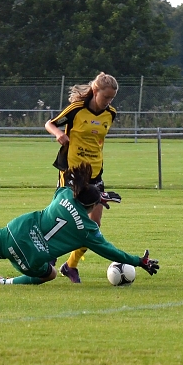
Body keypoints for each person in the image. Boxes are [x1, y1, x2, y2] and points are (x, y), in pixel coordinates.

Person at [0, 164, 158, 289]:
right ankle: (5, 282)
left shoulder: (64, 194)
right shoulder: (88, 231)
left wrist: (96, 195)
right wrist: (139, 261)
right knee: (50, 274)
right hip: (31, 260)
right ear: (93, 206)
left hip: (13, 232)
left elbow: (71, 189)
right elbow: (111, 252)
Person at [43, 72, 119, 284]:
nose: (108, 102)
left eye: (112, 98)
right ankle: (50, 255)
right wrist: (58, 134)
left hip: (95, 173)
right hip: (71, 172)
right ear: (95, 91)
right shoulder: (76, 110)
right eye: (106, 97)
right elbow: (50, 123)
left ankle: (71, 265)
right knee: (64, 217)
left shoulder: (110, 114)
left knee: (94, 223)